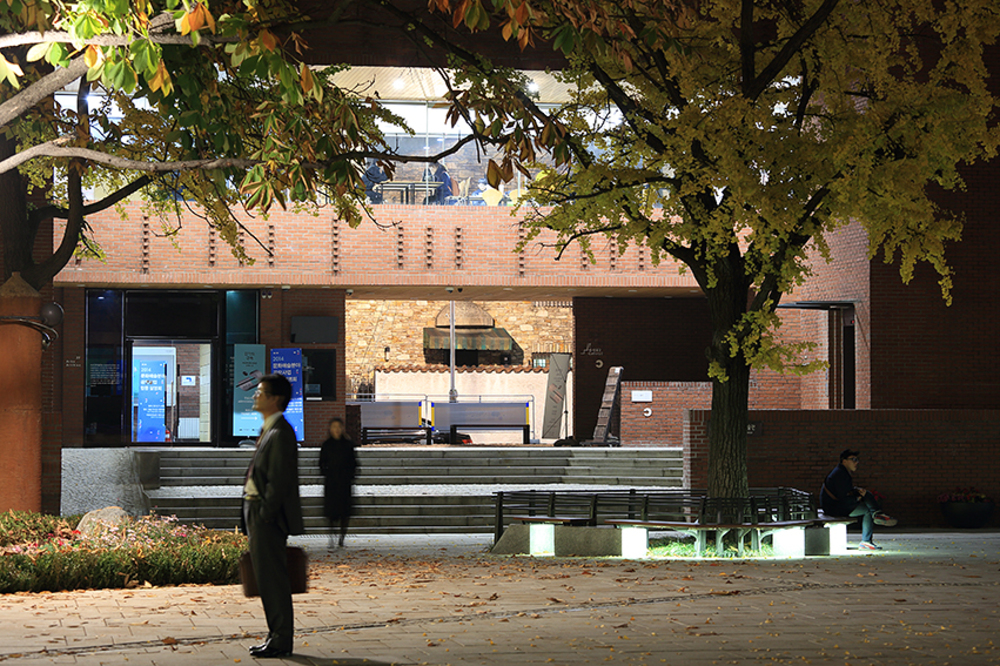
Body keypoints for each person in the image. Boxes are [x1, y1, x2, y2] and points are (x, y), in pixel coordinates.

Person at [242, 374, 304, 659]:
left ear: (275, 399)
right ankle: (274, 635)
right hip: (259, 513)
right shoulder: (270, 429)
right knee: (266, 579)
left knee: (273, 579)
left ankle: (280, 639)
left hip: (267, 517)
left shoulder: (281, 432)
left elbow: (279, 480)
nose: (255, 396)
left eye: (260, 392)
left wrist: (265, 513)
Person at [821, 448, 896, 551]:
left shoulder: (841, 472)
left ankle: (877, 514)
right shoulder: (840, 474)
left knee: (866, 495)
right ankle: (868, 536)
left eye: (857, 460)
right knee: (867, 509)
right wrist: (857, 498)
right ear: (844, 461)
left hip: (834, 505)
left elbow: (844, 492)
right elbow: (843, 497)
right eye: (853, 459)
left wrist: (857, 492)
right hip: (834, 508)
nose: (856, 462)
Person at [319, 416, 358, 548]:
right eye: (334, 427)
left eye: (338, 427)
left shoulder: (348, 445)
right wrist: (327, 473)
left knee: (344, 512)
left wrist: (349, 475)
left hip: (344, 483)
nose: (336, 430)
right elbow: (321, 463)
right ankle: (332, 536)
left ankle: (341, 538)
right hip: (331, 483)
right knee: (331, 512)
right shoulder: (327, 445)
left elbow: (353, 462)